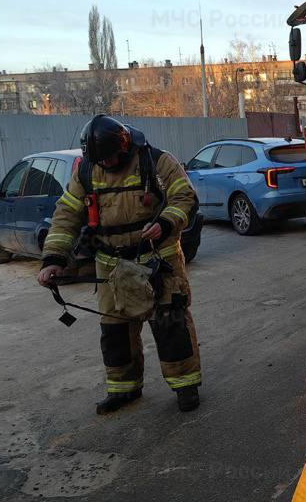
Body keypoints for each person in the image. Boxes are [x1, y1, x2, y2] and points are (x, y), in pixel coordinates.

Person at [37, 114, 203, 414]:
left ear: (124, 146)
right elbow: (66, 215)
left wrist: (165, 223)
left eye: (111, 159)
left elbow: (185, 198)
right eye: (102, 161)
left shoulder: (157, 161)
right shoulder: (87, 170)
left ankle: (185, 386)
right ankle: (124, 389)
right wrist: (53, 259)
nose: (107, 164)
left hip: (157, 261)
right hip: (111, 266)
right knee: (115, 332)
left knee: (170, 324)